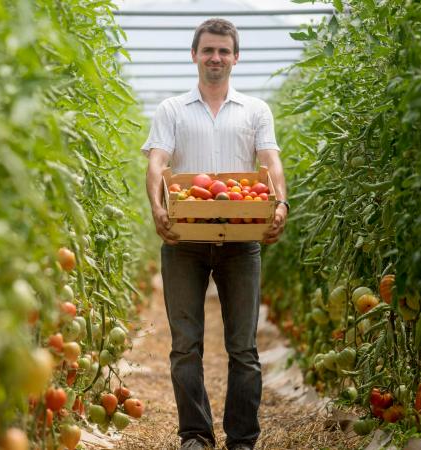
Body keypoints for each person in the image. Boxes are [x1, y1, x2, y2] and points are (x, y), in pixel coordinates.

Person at [141, 18, 289, 450]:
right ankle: (195, 435)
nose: (216, 58)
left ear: (236, 57)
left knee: (243, 347)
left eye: (224, 51)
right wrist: (157, 206)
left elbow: (270, 162)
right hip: (183, 240)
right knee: (185, 346)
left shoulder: (256, 110)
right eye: (208, 50)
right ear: (194, 55)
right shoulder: (172, 109)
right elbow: (157, 164)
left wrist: (278, 202)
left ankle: (242, 439)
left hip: (241, 240)